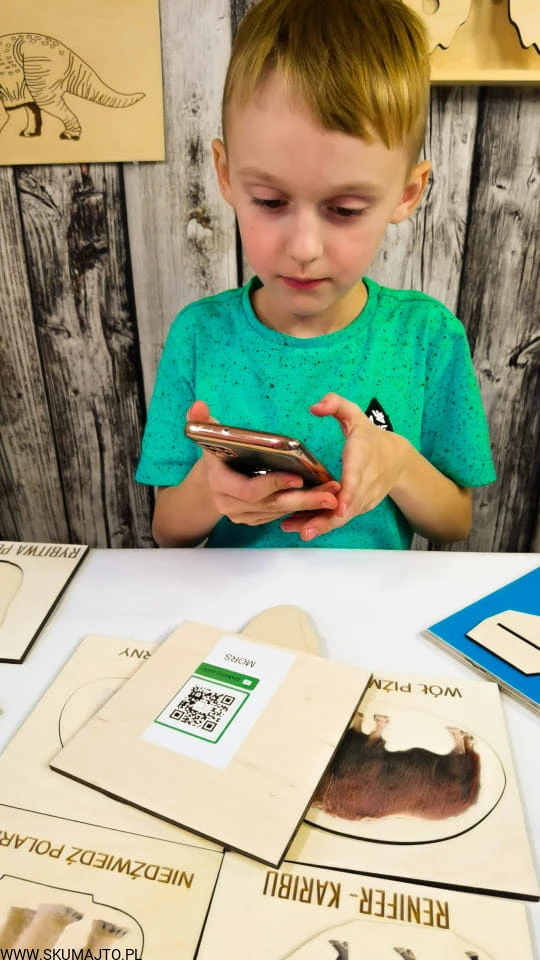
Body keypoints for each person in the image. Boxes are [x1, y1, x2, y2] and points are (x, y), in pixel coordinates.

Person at [136, 0, 496, 549]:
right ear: (226, 175)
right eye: (270, 200)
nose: (304, 249)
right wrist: (210, 489)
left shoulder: (427, 337)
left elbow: (455, 523)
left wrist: (399, 464)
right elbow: (168, 531)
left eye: (345, 210)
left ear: (406, 194)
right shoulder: (199, 335)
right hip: (235, 602)